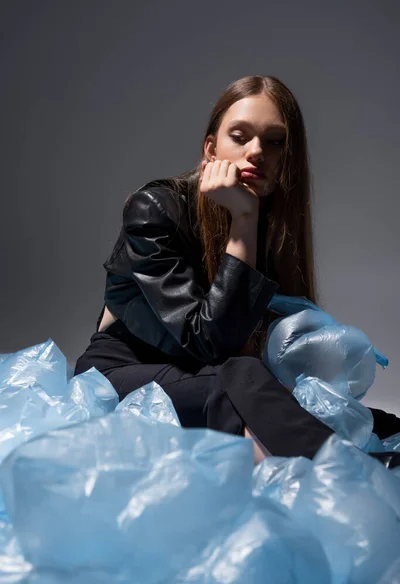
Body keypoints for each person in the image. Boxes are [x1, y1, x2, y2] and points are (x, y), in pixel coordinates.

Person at [74, 75, 400, 465]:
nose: (257, 151)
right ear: (211, 148)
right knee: (242, 376)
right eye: (240, 136)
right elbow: (211, 343)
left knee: (331, 409)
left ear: (288, 158)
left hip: (211, 379)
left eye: (274, 141)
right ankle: (353, 468)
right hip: (121, 377)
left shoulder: (272, 223)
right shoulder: (156, 208)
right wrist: (243, 219)